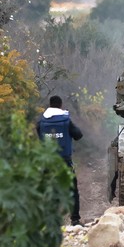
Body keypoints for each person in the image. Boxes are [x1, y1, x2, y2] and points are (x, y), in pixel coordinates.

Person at [37, 95, 84, 226]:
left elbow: (39, 136)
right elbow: (79, 135)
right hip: (64, 161)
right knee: (72, 190)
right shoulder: (66, 121)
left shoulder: (41, 122)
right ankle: (75, 220)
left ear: (50, 105)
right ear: (60, 105)